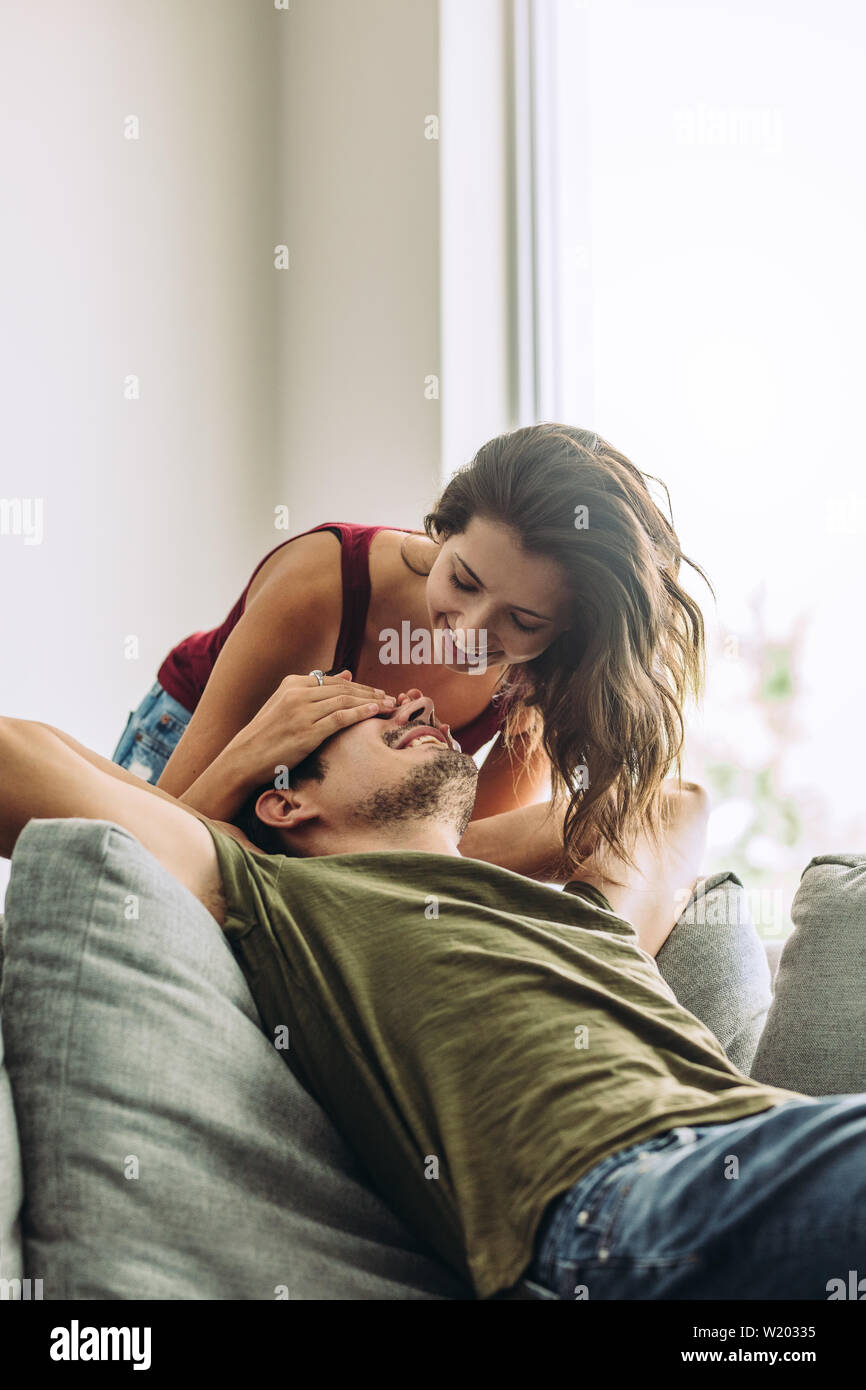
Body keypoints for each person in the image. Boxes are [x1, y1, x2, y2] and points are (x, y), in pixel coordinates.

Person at [5, 690, 866, 1301]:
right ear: (286, 801)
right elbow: (18, 755)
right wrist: (246, 767)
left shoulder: (573, 920)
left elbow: (670, 806)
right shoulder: (282, 895)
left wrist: (434, 840)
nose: (419, 703)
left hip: (761, 1144)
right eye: (371, 715)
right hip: (625, 1203)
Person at [111, 423, 709, 880]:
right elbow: (165, 833)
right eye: (464, 582)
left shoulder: (546, 677)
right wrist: (260, 749)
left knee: (656, 814)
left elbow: (456, 857)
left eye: (523, 620)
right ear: (442, 530)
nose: (469, 634)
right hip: (189, 753)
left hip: (343, 824)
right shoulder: (321, 584)